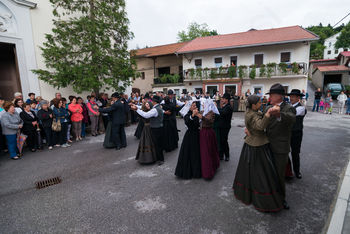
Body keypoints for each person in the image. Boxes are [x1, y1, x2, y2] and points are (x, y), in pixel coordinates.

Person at [233, 95, 283, 212]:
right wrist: (267, 114)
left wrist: (269, 110)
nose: (261, 104)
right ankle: (262, 197)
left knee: (250, 170)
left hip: (254, 143)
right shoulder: (251, 114)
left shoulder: (252, 111)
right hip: (257, 145)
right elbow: (260, 126)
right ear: (253, 105)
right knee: (260, 172)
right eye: (259, 103)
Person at [263, 83, 296, 209]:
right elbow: (262, 122)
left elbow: (291, 119)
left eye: (272, 95)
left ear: (280, 96)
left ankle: (281, 199)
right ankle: (269, 197)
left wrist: (279, 114)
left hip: (280, 148)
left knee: (279, 174)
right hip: (267, 145)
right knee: (268, 173)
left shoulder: (288, 108)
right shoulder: (267, 108)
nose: (270, 97)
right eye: (270, 94)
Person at [131, 96, 164, 165]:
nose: (151, 102)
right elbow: (144, 108)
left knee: (157, 144)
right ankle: (159, 158)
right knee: (158, 143)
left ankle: (160, 159)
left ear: (154, 102)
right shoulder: (158, 108)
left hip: (156, 128)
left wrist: (136, 109)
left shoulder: (155, 110)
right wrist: (137, 107)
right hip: (159, 127)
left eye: (152, 101)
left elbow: (146, 115)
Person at [175, 101, 202, 179]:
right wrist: (193, 115)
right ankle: (189, 171)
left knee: (196, 153)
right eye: (193, 106)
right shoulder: (187, 115)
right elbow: (187, 121)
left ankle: (196, 171)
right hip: (190, 136)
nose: (194, 107)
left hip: (197, 135)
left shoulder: (197, 113)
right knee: (189, 153)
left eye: (195, 105)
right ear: (189, 107)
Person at [288, 89, 307, 179]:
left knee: (295, 153)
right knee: (284, 152)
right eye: (290, 96)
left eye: (293, 96)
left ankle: (297, 171)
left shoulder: (301, 108)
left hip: (296, 134)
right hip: (287, 133)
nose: (291, 98)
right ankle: (287, 171)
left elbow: (291, 114)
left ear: (298, 98)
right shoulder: (288, 106)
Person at [200, 99, 220, 180]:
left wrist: (202, 117)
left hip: (208, 132)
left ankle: (208, 171)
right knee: (205, 151)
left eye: (204, 104)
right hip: (203, 132)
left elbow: (210, 121)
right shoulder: (203, 111)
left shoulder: (211, 112)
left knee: (208, 151)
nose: (203, 105)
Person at [217, 93, 233, 161]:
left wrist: (216, 108)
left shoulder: (228, 107)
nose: (222, 100)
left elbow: (223, 113)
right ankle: (221, 155)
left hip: (225, 126)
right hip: (221, 125)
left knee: (224, 141)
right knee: (221, 141)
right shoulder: (224, 106)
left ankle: (227, 155)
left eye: (223, 99)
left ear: (226, 100)